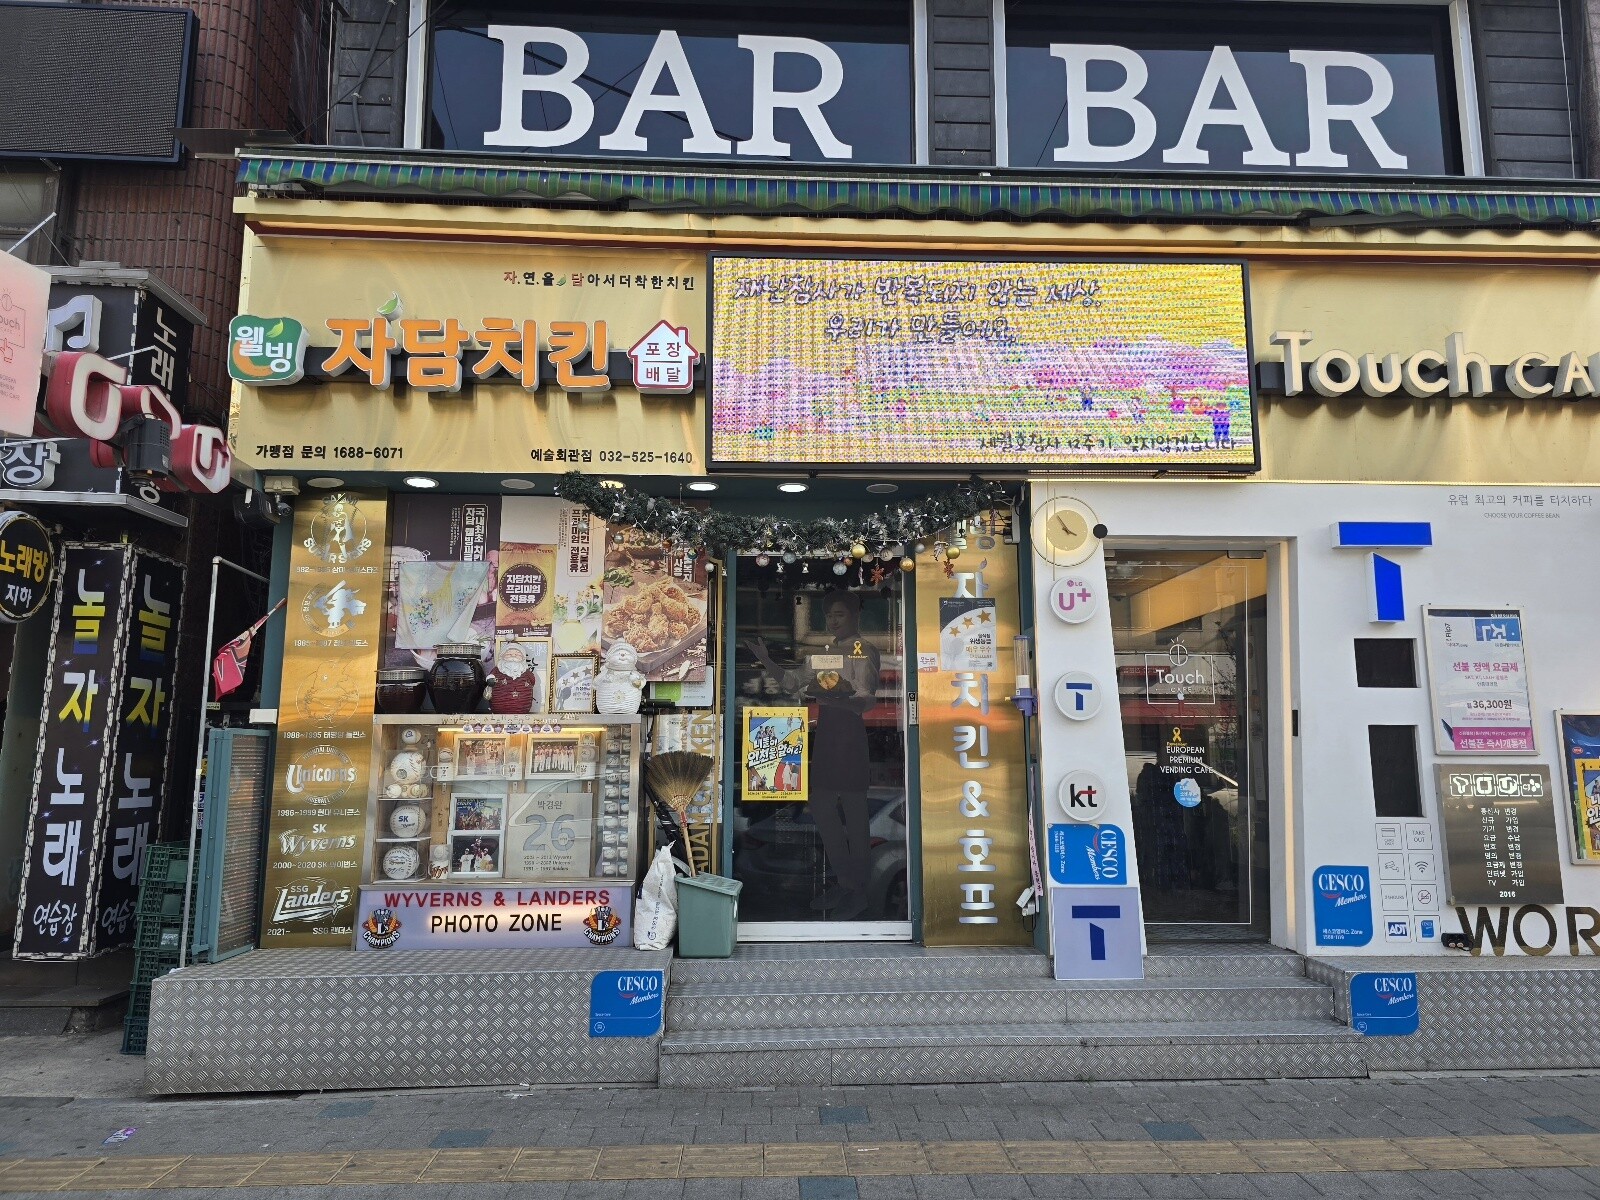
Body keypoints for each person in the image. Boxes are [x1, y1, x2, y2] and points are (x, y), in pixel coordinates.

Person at [746, 590, 880, 919]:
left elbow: (867, 698)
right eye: (830, 615)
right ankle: (847, 883)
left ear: (855, 616)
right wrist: (766, 659)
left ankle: (859, 893)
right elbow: (793, 684)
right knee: (821, 807)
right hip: (828, 733)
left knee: (855, 814)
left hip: (849, 733)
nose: (833, 620)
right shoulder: (824, 653)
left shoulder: (864, 650)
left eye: (840, 614)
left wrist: (836, 695)